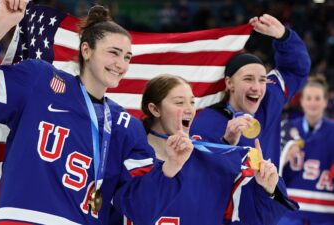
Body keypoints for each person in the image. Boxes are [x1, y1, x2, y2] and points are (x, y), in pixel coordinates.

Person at [0, 1, 193, 224]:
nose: (121, 64)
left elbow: (140, 211)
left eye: (127, 57)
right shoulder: (40, 81)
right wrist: (1, 24)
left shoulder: (125, 126)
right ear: (86, 50)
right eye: (113, 52)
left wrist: (171, 166)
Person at [117, 74, 297, 225]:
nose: (189, 109)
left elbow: (252, 219)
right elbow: (134, 211)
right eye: (179, 102)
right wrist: (170, 167)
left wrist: (268, 190)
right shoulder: (126, 157)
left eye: (192, 102)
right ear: (155, 109)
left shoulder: (211, 159)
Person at [190, 14, 310, 224]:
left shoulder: (269, 101)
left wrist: (284, 36)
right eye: (248, 79)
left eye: (262, 79)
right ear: (229, 83)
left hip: (265, 213)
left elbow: (296, 69)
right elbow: (198, 174)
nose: (257, 86)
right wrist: (226, 143)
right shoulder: (205, 121)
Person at [278, 77, 334, 225]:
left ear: (325, 101)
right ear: (302, 101)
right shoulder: (286, 128)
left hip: (325, 212)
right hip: (290, 210)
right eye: (309, 98)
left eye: (317, 98)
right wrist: (283, 157)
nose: (313, 103)